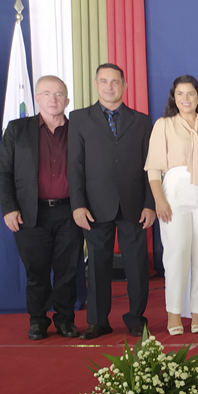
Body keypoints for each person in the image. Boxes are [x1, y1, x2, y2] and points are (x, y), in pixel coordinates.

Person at [68, 64, 155, 340]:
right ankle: (97, 321)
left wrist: (150, 203)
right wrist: (77, 204)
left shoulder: (141, 121)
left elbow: (151, 166)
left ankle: (135, 318)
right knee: (96, 266)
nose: (109, 86)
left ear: (124, 85)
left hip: (134, 205)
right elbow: (75, 165)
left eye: (115, 82)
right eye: (104, 81)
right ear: (95, 84)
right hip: (94, 206)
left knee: (137, 267)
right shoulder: (79, 119)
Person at [0, 75, 83, 340]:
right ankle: (37, 320)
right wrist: (9, 208)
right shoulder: (17, 129)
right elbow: (3, 173)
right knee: (37, 271)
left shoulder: (80, 131)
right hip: (30, 213)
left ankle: (65, 319)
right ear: (36, 98)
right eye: (46, 93)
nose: (53, 99)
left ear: (67, 100)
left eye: (58, 94)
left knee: (68, 271)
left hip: (70, 212)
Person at [144, 76, 198, 335]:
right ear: (174, 97)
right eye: (180, 94)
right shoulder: (164, 125)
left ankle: (197, 313)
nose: (185, 98)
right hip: (174, 191)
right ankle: (173, 315)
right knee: (176, 254)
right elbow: (153, 168)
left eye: (190, 94)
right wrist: (159, 199)